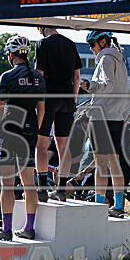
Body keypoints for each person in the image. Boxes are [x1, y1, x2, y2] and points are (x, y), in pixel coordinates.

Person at [0, 35, 46, 240]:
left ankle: (6, 230)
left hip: (9, 131)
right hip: (30, 132)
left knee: (7, 184)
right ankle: (29, 228)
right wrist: (36, 132)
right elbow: (42, 108)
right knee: (29, 184)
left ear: (11, 54)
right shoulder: (38, 78)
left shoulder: (7, 76)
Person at [79, 31, 130, 219]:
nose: (91, 49)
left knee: (101, 165)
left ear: (102, 42)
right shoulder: (121, 61)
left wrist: (89, 86)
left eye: (92, 45)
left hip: (101, 117)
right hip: (116, 117)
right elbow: (127, 94)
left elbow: (106, 84)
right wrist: (123, 115)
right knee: (114, 163)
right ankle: (118, 206)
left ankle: (99, 205)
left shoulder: (106, 59)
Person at [35, 26, 82, 202]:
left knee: (41, 144)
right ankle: (61, 189)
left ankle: (41, 189)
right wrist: (74, 99)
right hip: (68, 98)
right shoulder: (70, 44)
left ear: (41, 28)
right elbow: (77, 77)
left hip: (49, 97)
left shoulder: (42, 43)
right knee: (63, 146)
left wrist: (37, 100)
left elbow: (39, 74)